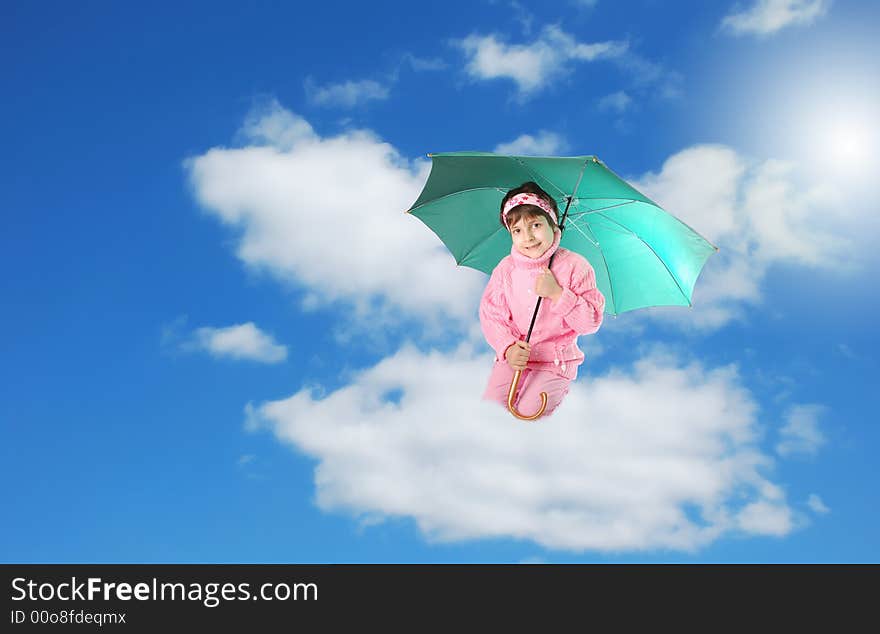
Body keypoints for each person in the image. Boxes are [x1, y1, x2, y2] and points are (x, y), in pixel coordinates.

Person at [480, 181, 605, 418]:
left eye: (535, 225)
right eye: (517, 230)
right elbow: (491, 313)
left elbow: (590, 323)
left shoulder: (575, 266)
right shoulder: (506, 269)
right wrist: (507, 348)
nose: (527, 237)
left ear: (553, 224)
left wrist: (558, 293)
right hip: (516, 357)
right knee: (492, 409)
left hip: (554, 363)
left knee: (530, 412)